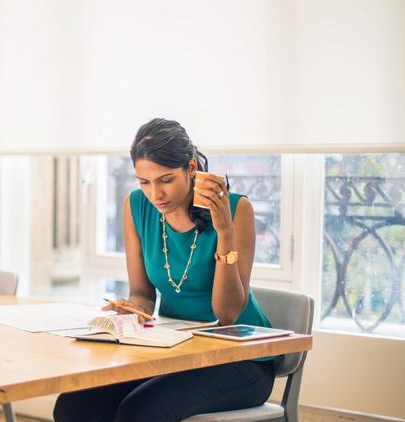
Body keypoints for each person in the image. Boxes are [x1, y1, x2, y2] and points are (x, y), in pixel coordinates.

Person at [53, 118, 275, 422]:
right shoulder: (136, 206)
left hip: (240, 358)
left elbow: (228, 314)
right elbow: (142, 293)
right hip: (175, 351)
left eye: (166, 180)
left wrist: (224, 230)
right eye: (144, 182)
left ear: (192, 168)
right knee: (74, 406)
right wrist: (132, 309)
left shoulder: (237, 210)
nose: (155, 194)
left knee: (140, 413)